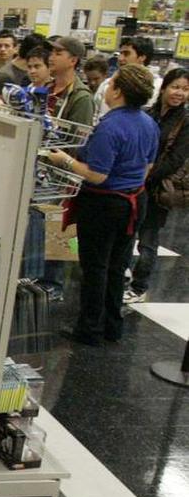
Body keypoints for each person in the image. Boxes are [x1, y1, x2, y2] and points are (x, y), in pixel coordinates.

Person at [45, 64, 159, 346]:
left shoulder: (111, 126)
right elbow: (148, 166)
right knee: (117, 266)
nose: (106, 88)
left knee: (95, 267)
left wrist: (64, 160)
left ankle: (89, 329)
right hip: (134, 200)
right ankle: (112, 325)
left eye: (111, 84)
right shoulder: (148, 124)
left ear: (118, 91)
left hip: (104, 204)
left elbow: (97, 173)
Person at [124, 68, 189, 304]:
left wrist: (146, 175)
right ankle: (124, 275)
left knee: (148, 239)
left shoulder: (185, 122)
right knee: (128, 234)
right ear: (164, 88)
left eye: (185, 89)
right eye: (175, 87)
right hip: (134, 184)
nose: (179, 93)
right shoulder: (148, 113)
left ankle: (139, 286)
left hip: (157, 189)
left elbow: (175, 160)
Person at [94, 37, 160, 115]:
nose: (120, 58)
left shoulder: (156, 87)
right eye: (120, 53)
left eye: (126, 54)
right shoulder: (108, 83)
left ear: (142, 57)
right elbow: (95, 112)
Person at [46, 36, 95, 126]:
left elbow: (78, 138)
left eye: (58, 54)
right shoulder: (47, 87)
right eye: (51, 53)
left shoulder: (82, 98)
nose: (51, 58)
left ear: (73, 60)